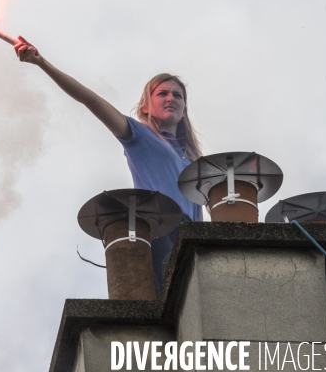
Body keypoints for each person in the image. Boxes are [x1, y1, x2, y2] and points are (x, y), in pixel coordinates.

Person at [14, 37, 202, 294]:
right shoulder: (139, 135)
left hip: (192, 236)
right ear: (146, 106)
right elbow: (90, 99)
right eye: (163, 93)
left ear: (184, 109)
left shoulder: (193, 160)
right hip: (160, 227)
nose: (171, 98)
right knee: (174, 296)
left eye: (177, 95)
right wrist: (41, 62)